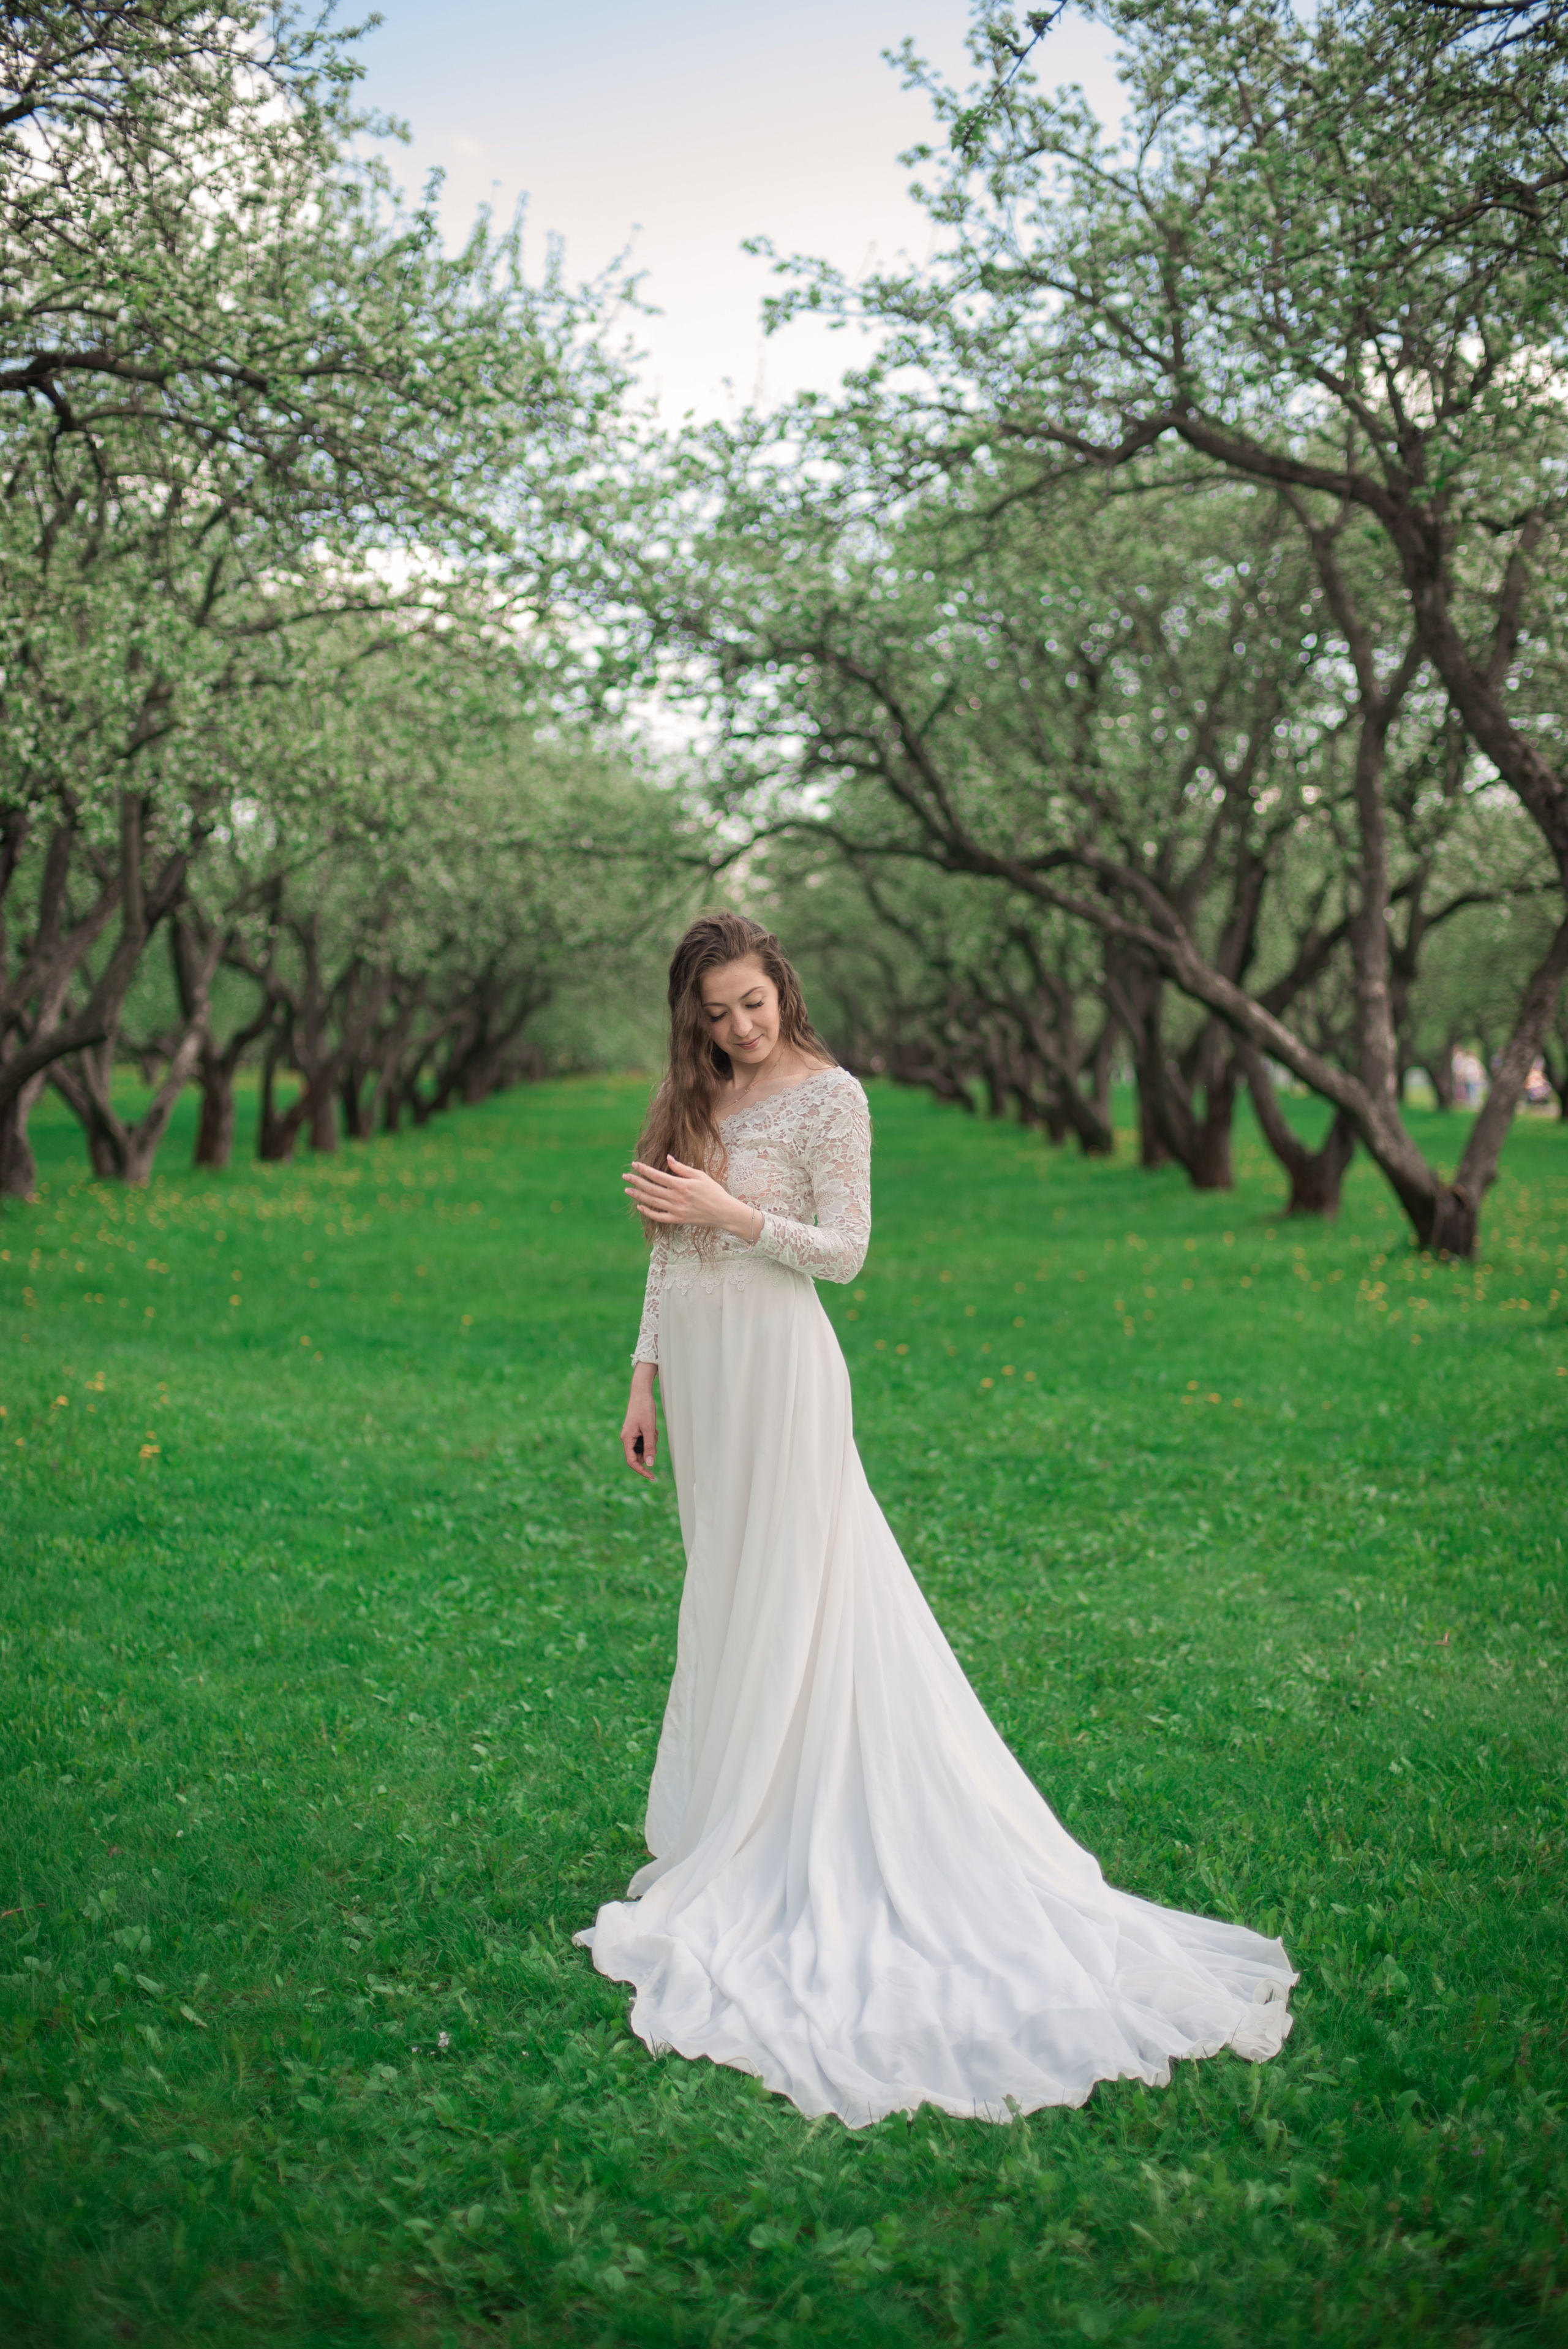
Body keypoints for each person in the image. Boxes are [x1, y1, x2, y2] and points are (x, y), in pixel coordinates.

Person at [575, 912, 1294, 2127]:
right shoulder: (697, 1097)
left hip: (778, 1365)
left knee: (803, 1592)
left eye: (750, 1003)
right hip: (700, 1377)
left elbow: (842, 1255)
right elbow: (665, 1250)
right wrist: (641, 1378)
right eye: (713, 1013)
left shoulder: (830, 1097)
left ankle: (797, 1821)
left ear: (779, 990)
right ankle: (734, 1811)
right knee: (730, 1591)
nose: (736, 1028)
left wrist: (729, 1210)